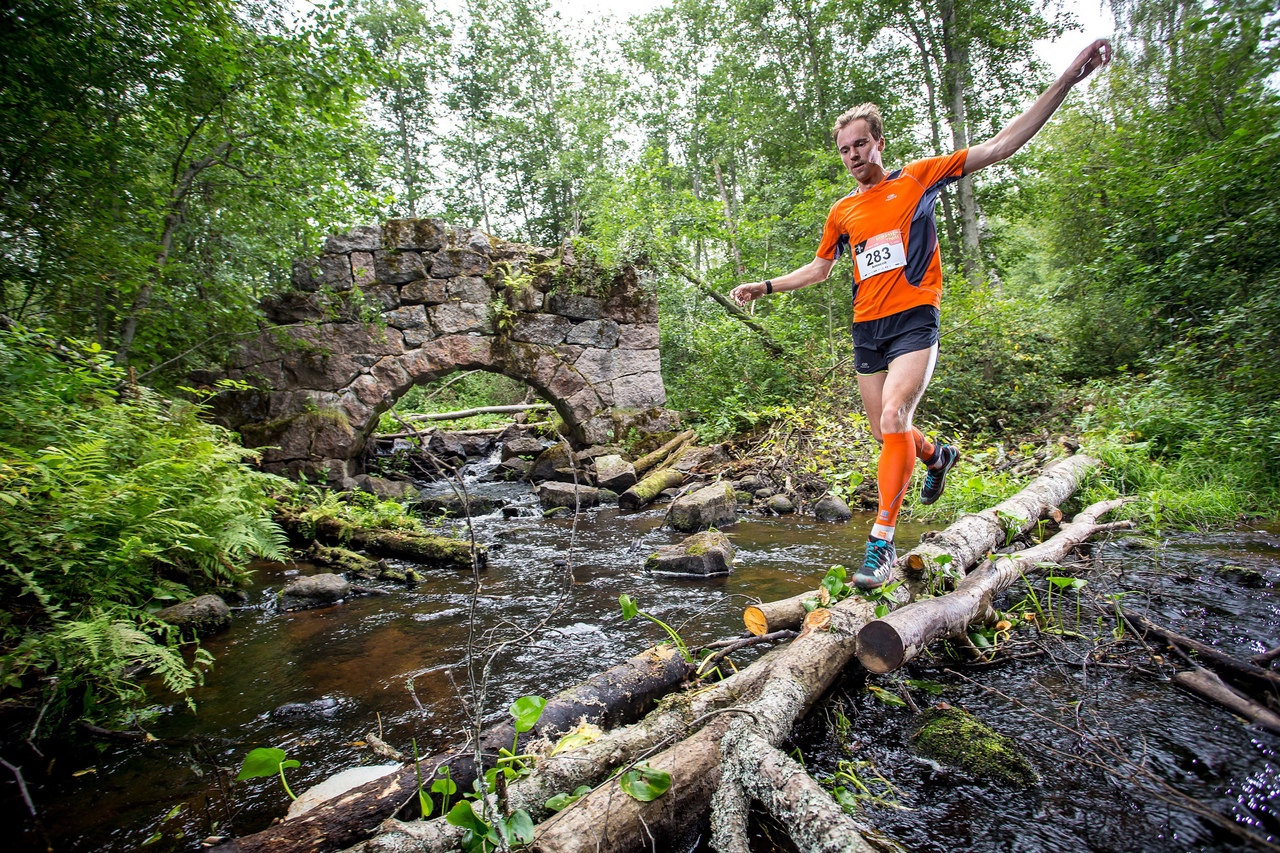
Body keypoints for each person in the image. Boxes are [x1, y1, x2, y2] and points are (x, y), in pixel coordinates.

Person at [730, 39, 1111, 590]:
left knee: (892, 421)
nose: (854, 155)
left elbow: (1002, 145)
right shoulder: (842, 211)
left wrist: (1067, 80)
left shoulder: (920, 178)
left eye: (861, 144)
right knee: (889, 433)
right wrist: (765, 286)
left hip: (914, 319)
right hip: (868, 329)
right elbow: (819, 271)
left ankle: (880, 545)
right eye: (844, 150)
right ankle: (936, 455)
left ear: (878, 143)